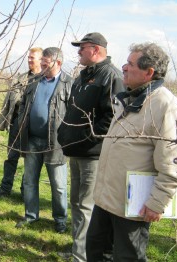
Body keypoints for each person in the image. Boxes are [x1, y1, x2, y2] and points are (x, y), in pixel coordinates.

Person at [86, 43, 177, 261]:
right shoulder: (129, 99)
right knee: (96, 251)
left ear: (148, 72)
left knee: (127, 257)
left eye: (131, 64)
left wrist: (156, 202)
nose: (124, 67)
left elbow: (174, 163)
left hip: (134, 207)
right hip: (107, 200)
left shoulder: (165, 105)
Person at [57, 32, 125, 261]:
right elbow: (72, 110)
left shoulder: (111, 76)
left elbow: (112, 118)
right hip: (76, 151)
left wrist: (85, 139)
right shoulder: (83, 76)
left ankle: (82, 256)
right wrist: (64, 133)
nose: (78, 52)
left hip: (92, 155)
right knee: (77, 203)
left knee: (87, 207)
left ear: (95, 50)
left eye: (82, 48)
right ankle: (79, 250)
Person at [15, 47, 73, 233]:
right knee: (30, 181)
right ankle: (31, 215)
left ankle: (60, 220)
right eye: (42, 63)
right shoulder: (35, 80)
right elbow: (24, 102)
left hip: (56, 143)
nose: (42, 67)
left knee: (59, 186)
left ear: (58, 63)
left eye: (46, 64)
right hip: (32, 139)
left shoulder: (69, 83)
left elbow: (74, 113)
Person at [0, 47, 43, 199]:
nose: (29, 60)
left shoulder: (43, 81)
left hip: (33, 127)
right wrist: (4, 122)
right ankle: (5, 188)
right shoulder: (20, 79)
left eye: (32, 58)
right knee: (11, 157)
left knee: (30, 160)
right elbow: (8, 103)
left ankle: (25, 190)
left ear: (40, 60)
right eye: (28, 57)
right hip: (16, 124)